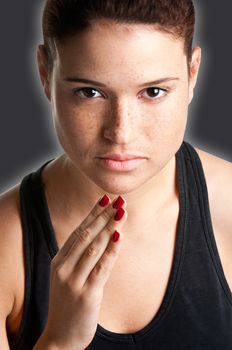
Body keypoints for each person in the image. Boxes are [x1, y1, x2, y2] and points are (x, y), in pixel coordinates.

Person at [0, 0, 231, 349]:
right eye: (89, 93)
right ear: (45, 74)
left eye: (153, 92)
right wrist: (60, 341)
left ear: (192, 73)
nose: (121, 132)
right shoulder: (5, 243)